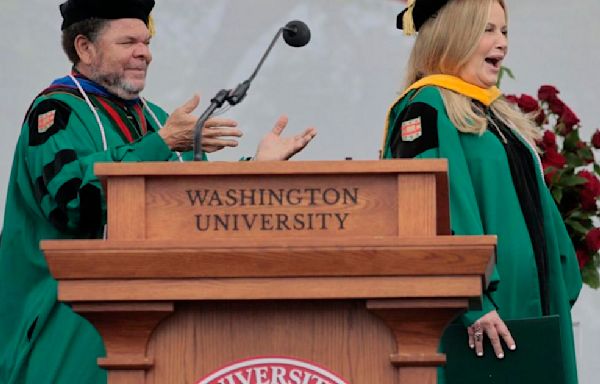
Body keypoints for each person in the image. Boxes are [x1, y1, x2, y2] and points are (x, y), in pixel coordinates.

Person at [0, 0, 316, 382]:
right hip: (65, 331)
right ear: (85, 48)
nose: (144, 53)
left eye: (147, 42)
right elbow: (73, 205)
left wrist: (257, 171)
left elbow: (193, 208)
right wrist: (162, 142)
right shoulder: (57, 114)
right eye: (128, 42)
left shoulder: (155, 119)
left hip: (150, 332)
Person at [382, 0, 582, 383]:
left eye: (504, 31)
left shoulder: (490, 112)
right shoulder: (426, 108)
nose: (502, 42)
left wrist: (559, 280)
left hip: (531, 309)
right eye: (488, 30)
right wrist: (470, 301)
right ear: (452, 35)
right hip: (484, 319)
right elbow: (429, 212)